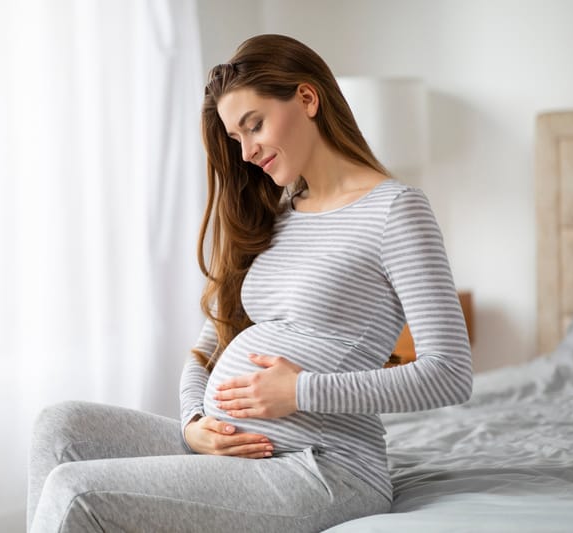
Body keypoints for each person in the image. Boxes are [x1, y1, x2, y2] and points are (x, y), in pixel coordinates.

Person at [27, 34, 472, 533]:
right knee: (60, 427)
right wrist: (195, 422)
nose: (246, 152)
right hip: (233, 451)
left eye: (253, 126)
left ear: (307, 98)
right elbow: (207, 346)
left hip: (323, 467)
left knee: (76, 490)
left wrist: (302, 392)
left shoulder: (396, 210)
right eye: (236, 138)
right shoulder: (276, 216)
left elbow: (450, 373)